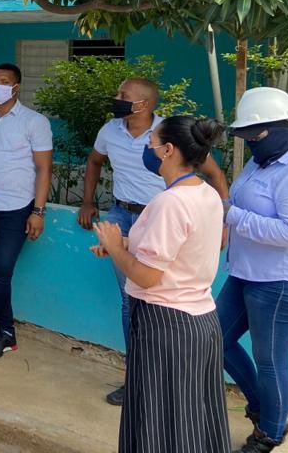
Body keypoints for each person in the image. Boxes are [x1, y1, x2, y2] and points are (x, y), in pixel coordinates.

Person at [77, 76, 229, 405]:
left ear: (144, 105)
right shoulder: (110, 130)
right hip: (126, 214)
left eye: (123, 95)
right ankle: (137, 375)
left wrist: (223, 222)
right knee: (130, 297)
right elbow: (94, 161)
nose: (116, 98)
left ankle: (147, 379)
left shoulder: (172, 136)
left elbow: (215, 174)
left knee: (148, 289)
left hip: (162, 216)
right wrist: (90, 204)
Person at [92, 116, 231, 453]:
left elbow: (147, 276)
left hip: (165, 326)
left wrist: (115, 249)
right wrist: (124, 245)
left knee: (159, 424)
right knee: (193, 419)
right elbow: (181, 251)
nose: (147, 148)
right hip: (200, 322)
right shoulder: (207, 195)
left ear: (168, 151)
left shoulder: (170, 203)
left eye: (151, 142)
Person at [216, 87, 288, 453]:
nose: (250, 143)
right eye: (246, 135)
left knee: (271, 363)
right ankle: (263, 407)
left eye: (255, 134)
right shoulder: (259, 162)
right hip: (246, 274)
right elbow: (239, 202)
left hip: (281, 283)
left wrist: (232, 215)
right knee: (215, 339)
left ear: (283, 129)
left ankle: (270, 433)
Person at [0, 63, 53, 359]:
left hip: (18, 206)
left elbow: (44, 169)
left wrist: (38, 212)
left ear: (16, 87)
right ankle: (6, 332)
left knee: (2, 270)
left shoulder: (35, 122)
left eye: (4, 81)